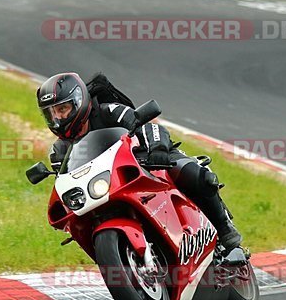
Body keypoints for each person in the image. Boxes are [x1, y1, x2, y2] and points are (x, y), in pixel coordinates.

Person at [37, 72, 243, 254]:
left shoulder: (109, 112)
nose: (57, 118)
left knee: (195, 174)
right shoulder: (59, 151)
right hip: (107, 187)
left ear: (79, 101)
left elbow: (145, 125)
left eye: (62, 109)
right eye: (51, 113)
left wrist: (158, 149)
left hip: (146, 159)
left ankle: (224, 228)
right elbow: (65, 179)